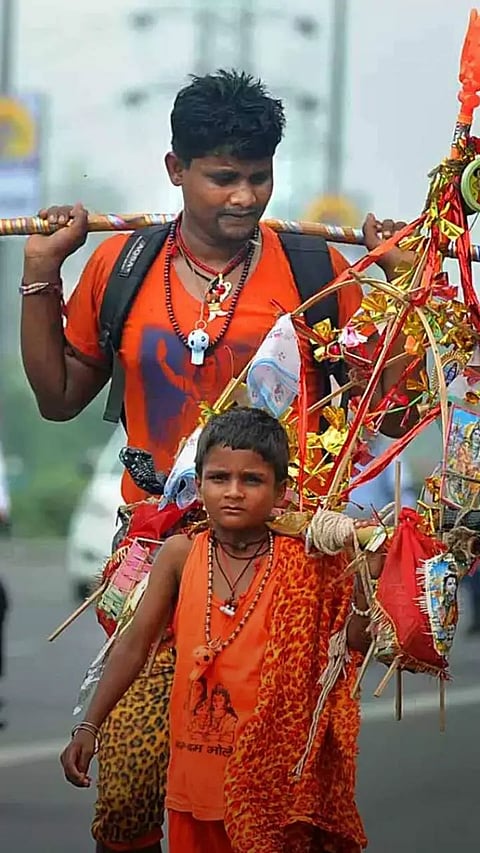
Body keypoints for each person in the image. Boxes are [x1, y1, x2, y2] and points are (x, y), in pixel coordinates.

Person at [20, 70, 415, 851]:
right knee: (129, 791)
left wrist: (399, 293)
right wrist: (42, 272)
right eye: (222, 177)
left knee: (268, 787)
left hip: (285, 559)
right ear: (176, 169)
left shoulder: (313, 271)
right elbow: (59, 395)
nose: (243, 197)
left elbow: (388, 410)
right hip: (152, 554)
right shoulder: (122, 268)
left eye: (259, 177)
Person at [61, 406, 382, 853]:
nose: (233, 492)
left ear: (280, 492)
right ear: (199, 484)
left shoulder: (307, 561)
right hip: (194, 784)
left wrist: (368, 577)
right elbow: (134, 646)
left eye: (252, 481)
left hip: (274, 786)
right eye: (218, 479)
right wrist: (89, 728)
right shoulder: (179, 555)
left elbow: (354, 644)